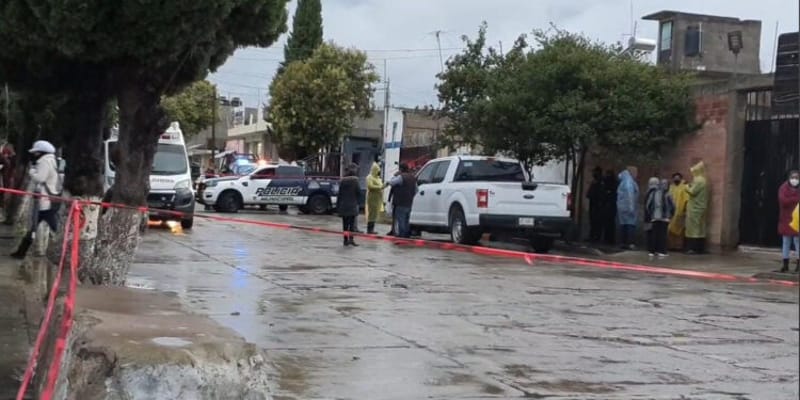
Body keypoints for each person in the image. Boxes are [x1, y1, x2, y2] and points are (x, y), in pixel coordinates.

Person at [10, 140, 60, 259]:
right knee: (38, 226)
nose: (34, 155)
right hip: (45, 200)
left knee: (45, 225)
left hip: (43, 201)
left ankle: (23, 252)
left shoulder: (45, 162)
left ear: (41, 152)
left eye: (36, 153)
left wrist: (32, 171)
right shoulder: (50, 160)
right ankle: (22, 252)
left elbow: (40, 178)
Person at [645, 178, 675, 257]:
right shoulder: (668, 194)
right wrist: (671, 215)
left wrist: (651, 214)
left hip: (655, 217)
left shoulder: (653, 193)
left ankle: (652, 251)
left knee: (654, 234)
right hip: (664, 218)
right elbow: (673, 206)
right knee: (663, 235)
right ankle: (661, 251)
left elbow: (648, 205)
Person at [777, 170, 800, 273]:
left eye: (797, 178)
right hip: (785, 218)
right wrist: (795, 199)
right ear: (789, 178)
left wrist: (790, 199)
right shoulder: (783, 188)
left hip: (797, 219)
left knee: (797, 242)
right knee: (786, 242)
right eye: (793, 177)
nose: (794, 180)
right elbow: (783, 201)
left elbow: (787, 200)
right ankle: (785, 265)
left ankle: (798, 265)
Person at [685, 161, 709, 254]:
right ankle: (700, 248)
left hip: (695, 207)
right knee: (700, 228)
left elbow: (692, 192)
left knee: (693, 228)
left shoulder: (698, 180)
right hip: (701, 206)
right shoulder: (704, 180)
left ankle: (693, 248)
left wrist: (686, 186)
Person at [388, 163, 417, 238]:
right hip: (409, 203)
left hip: (400, 202)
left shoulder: (401, 177)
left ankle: (402, 236)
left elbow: (391, 182)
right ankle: (407, 236)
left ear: (401, 169)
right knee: (406, 220)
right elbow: (417, 190)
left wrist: (395, 176)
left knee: (401, 220)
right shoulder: (413, 178)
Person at [338, 164, 361, 247]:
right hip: (352, 205)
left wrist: (338, 207)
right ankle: (351, 239)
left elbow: (339, 194)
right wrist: (358, 201)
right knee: (351, 224)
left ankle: (345, 240)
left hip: (344, 205)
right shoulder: (355, 181)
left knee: (345, 224)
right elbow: (359, 192)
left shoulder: (342, 181)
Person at [616, 167, 639, 250]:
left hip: (621, 207)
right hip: (628, 206)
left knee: (623, 224)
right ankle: (630, 243)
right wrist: (631, 207)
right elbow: (630, 195)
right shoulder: (629, 182)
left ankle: (623, 242)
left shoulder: (623, 181)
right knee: (630, 224)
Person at [667, 173, 689, 251]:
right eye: (675, 178)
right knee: (670, 229)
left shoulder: (684, 187)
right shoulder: (671, 187)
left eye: (678, 178)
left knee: (679, 230)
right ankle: (671, 246)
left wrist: (685, 210)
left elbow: (686, 199)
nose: (676, 180)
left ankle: (678, 246)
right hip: (671, 212)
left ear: (680, 178)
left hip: (680, 211)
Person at [586, 167, 604, 242]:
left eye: (595, 172)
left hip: (598, 205)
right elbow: (589, 193)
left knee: (597, 222)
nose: (593, 174)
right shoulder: (595, 181)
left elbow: (600, 194)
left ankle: (596, 237)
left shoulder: (601, 182)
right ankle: (592, 236)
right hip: (593, 204)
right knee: (592, 221)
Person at [365, 162, 384, 235]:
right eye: (378, 170)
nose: (379, 172)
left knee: (375, 214)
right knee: (371, 213)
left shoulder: (378, 178)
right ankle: (369, 229)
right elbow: (370, 186)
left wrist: (385, 185)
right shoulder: (369, 177)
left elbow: (381, 186)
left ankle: (372, 229)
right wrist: (380, 187)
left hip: (378, 198)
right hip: (372, 198)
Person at [601, 169, 618, 245]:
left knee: (609, 223)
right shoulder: (608, 182)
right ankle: (608, 238)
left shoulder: (612, 183)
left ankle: (609, 239)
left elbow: (609, 193)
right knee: (607, 223)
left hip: (610, 206)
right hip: (608, 206)